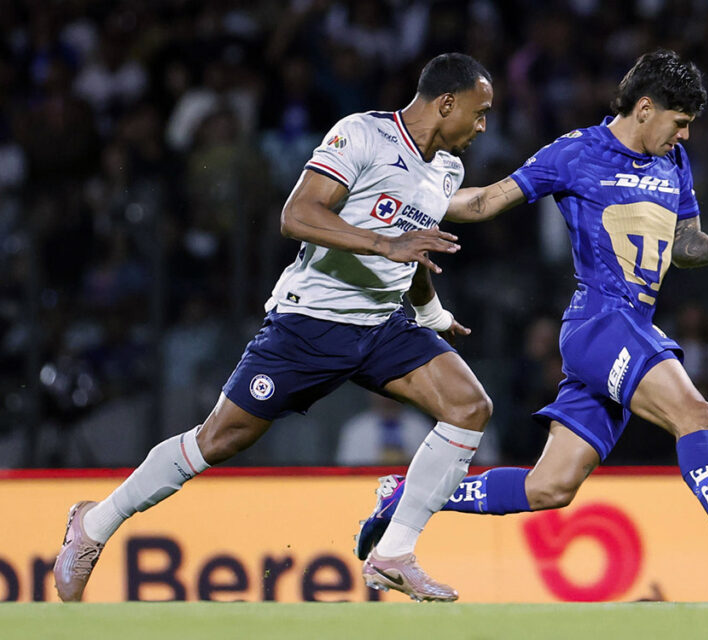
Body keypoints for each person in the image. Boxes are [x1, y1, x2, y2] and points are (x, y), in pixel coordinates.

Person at [356, 50, 708, 590]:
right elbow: (486, 202)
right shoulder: (577, 152)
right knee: (694, 412)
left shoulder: (672, 162)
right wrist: (399, 202)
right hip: (600, 322)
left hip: (628, 329)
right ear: (645, 108)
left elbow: (682, 244)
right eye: (681, 124)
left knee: (548, 488)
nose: (686, 137)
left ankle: (403, 494)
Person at [54, 53, 496, 603]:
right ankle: (93, 525)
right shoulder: (362, 134)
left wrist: (431, 314)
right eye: (478, 114)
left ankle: (393, 554)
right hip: (309, 322)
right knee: (218, 439)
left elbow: (415, 252)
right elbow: (297, 215)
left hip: (382, 323)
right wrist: (386, 243)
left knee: (469, 406)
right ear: (446, 103)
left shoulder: (447, 168)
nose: (481, 127)